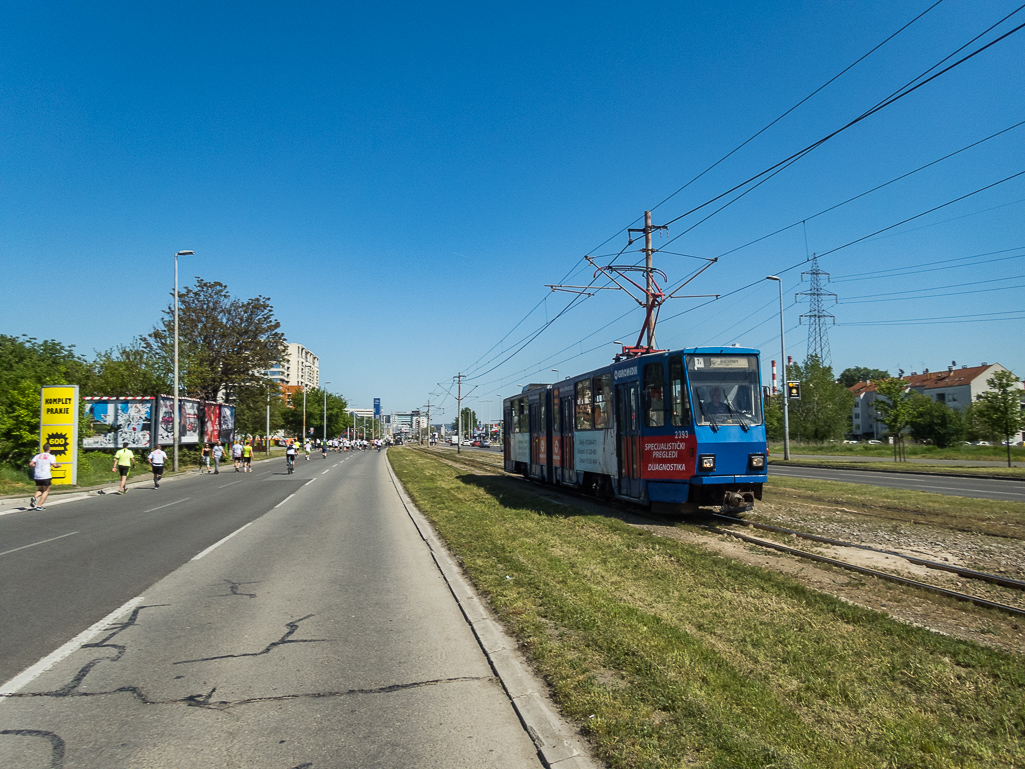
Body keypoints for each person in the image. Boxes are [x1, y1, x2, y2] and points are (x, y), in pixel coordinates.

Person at [28, 442, 61, 510]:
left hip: (37, 475)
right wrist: (58, 465)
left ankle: (34, 497)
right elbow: (54, 465)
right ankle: (39, 506)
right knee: (46, 491)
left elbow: (31, 464)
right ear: (49, 449)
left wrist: (35, 466)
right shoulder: (51, 456)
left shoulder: (38, 456)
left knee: (40, 489)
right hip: (45, 475)